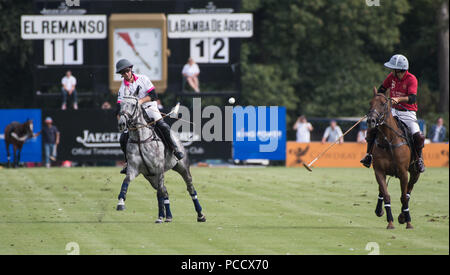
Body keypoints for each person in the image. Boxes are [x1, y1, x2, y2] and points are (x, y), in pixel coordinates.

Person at [115, 58, 184, 174]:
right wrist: (121, 121)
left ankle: (174, 149)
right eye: (123, 72)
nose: (126, 74)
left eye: (127, 70)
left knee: (163, 126)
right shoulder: (123, 88)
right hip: (134, 114)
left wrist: (141, 101)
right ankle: (128, 162)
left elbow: (153, 95)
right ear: (121, 74)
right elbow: (118, 108)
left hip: (150, 107)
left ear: (131, 69)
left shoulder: (143, 79)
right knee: (123, 138)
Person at [360, 54, 425, 173]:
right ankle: (368, 155)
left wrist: (398, 99)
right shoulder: (391, 77)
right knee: (373, 129)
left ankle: (419, 159)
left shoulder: (411, 79)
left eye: (392, 68)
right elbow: (381, 90)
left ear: (399, 69)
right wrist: (378, 104)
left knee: (418, 136)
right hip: (392, 111)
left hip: (408, 113)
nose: (391, 70)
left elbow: (412, 98)